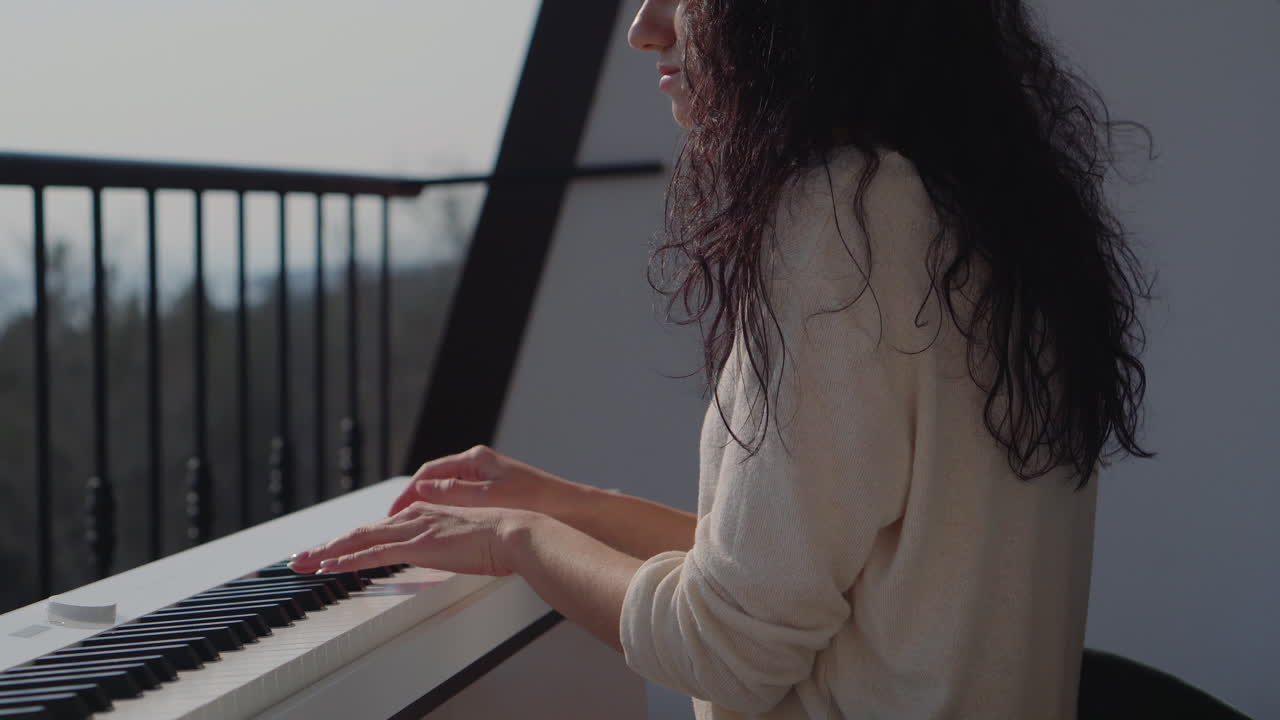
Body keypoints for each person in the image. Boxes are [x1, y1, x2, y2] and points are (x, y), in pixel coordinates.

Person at [290, 0, 1154, 717]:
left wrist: (518, 539)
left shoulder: (840, 221)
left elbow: (727, 648)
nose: (645, 25)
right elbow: (802, 586)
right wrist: (566, 504)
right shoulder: (977, 209)